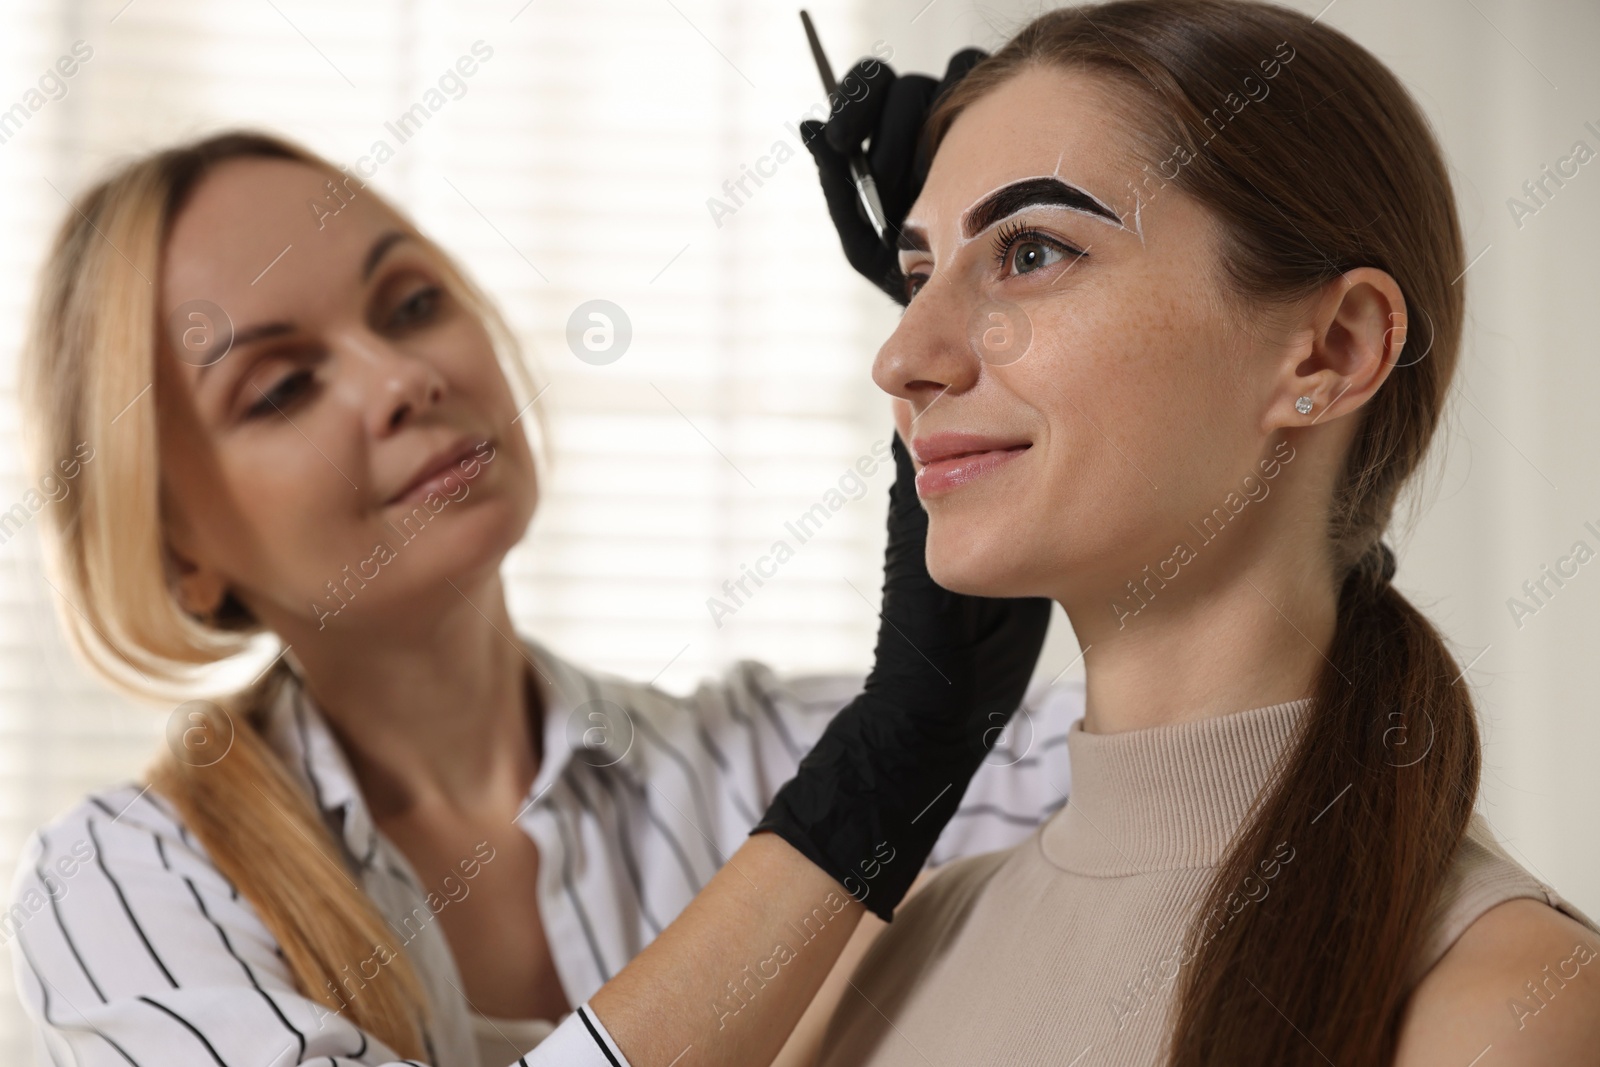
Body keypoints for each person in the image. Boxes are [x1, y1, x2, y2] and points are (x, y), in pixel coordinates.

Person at [3, 108, 1072, 1065]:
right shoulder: (120, 882)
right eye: (281, 385)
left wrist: (983, 267)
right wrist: (869, 794)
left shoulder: (769, 748)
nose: (401, 377)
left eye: (412, 302)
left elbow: (1212, 770)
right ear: (173, 545)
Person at [790, 1, 1600, 1064]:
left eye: (1030, 249)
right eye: (916, 273)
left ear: (1330, 351)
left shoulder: (1509, 1004)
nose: (901, 356)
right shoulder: (880, 955)